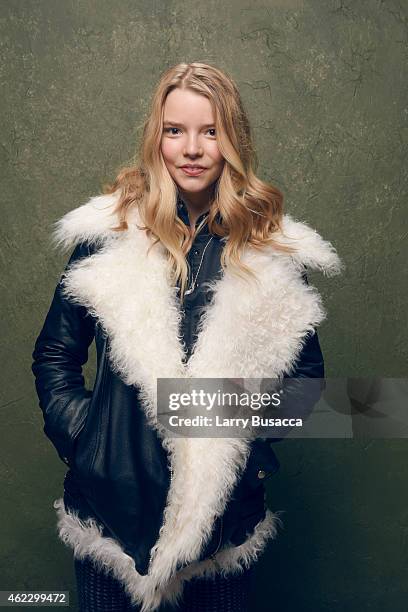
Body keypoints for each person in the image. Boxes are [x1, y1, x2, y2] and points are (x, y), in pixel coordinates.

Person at [31, 62, 343, 612]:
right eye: (175, 131)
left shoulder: (271, 253)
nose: (192, 149)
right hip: (110, 515)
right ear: (157, 138)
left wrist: (244, 454)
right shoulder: (107, 237)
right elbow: (56, 353)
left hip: (220, 526)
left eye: (210, 131)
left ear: (233, 141)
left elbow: (306, 384)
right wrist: (87, 440)